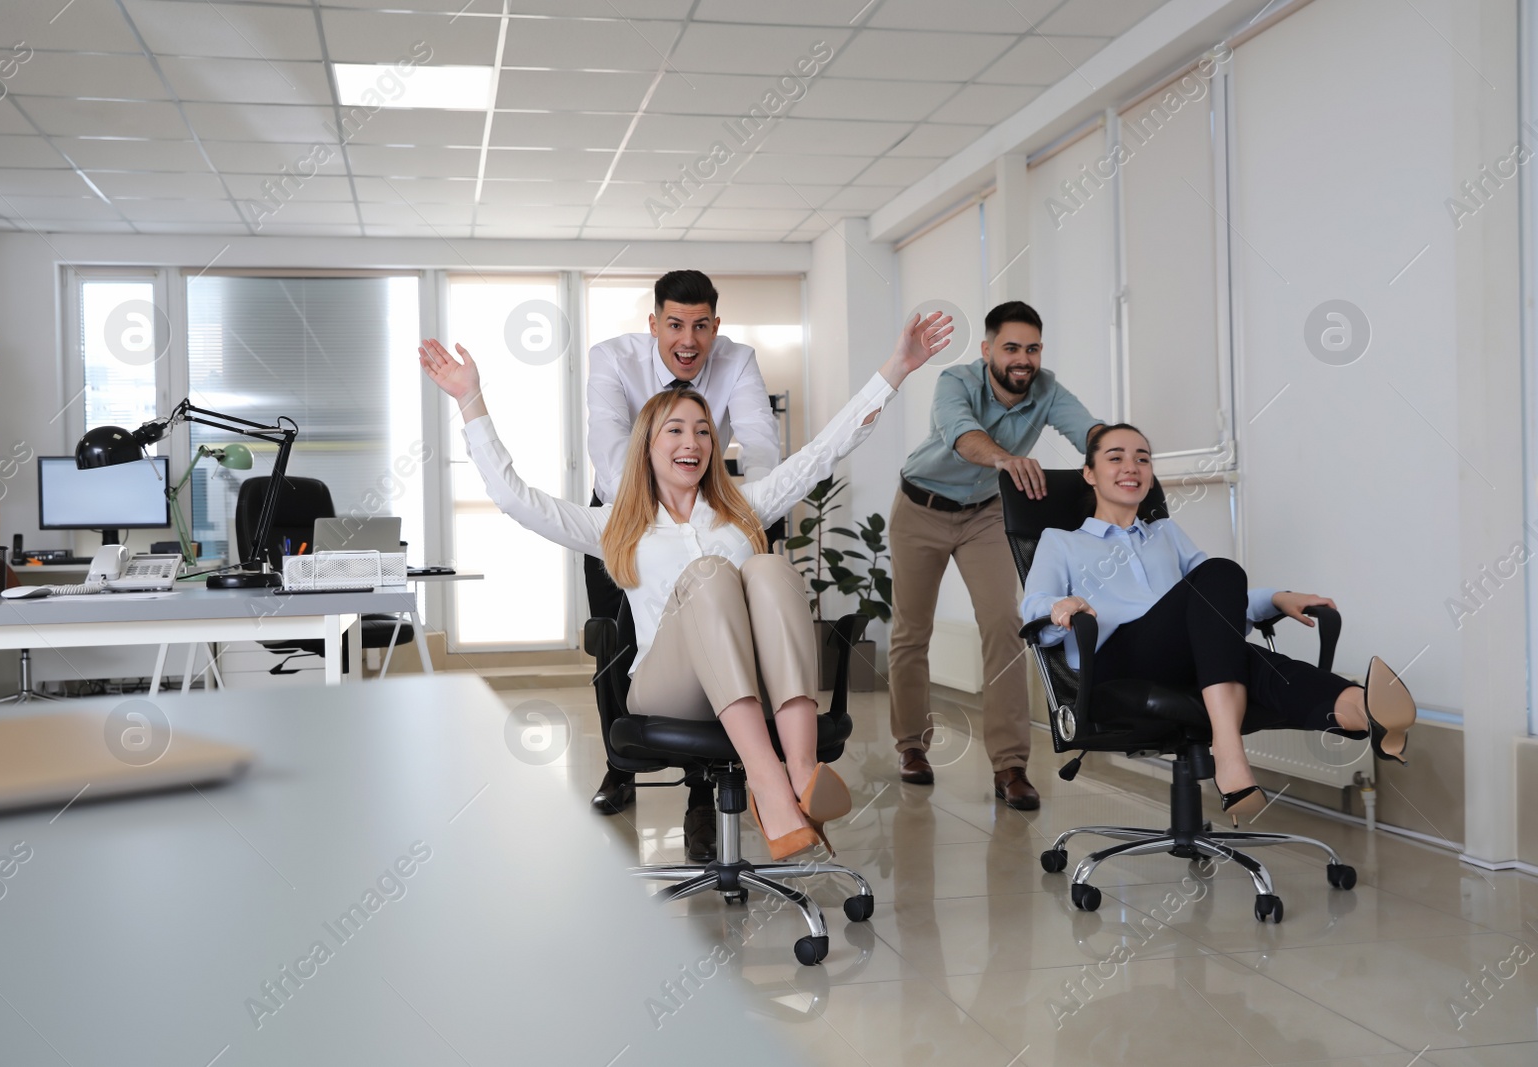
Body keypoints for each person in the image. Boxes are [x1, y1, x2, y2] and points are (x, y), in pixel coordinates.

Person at [420, 311, 954, 860]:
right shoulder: (614, 525)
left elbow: (823, 453)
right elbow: (515, 498)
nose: (692, 441)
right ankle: (766, 781)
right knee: (710, 574)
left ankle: (799, 772)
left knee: (768, 567)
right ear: (646, 445)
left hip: (753, 680)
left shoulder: (742, 509)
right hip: (666, 688)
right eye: (674, 429)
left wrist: (896, 369)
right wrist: (469, 401)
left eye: (703, 431)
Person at [1019, 424, 1417, 822]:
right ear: (1089, 473)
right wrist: (1062, 605)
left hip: (1185, 657)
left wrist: (1277, 598)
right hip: (1117, 661)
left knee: (1238, 635)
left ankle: (1361, 710)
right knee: (1222, 582)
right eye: (1116, 457)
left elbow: (1215, 605)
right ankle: (1231, 754)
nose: (1132, 467)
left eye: (1143, 459)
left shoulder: (1166, 533)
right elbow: (1034, 606)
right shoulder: (1061, 541)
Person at [584, 270, 782, 863]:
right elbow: (609, 445)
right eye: (675, 325)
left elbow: (763, 446)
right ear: (654, 324)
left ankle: (705, 795)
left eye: (701, 326)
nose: (688, 340)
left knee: (713, 635)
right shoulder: (611, 359)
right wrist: (657, 506)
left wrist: (732, 506)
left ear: (716, 327)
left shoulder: (738, 361)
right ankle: (621, 767)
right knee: (616, 640)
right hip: (620, 510)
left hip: (702, 504)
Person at [888, 300, 1104, 808]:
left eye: (1031, 348)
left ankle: (1010, 765)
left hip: (985, 513)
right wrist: (1005, 459)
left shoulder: (1046, 388)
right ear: (988, 350)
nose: (1022, 359)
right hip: (920, 507)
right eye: (1011, 348)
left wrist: (1115, 448)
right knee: (912, 630)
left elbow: (1087, 430)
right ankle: (911, 747)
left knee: (1006, 625)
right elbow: (962, 436)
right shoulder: (955, 382)